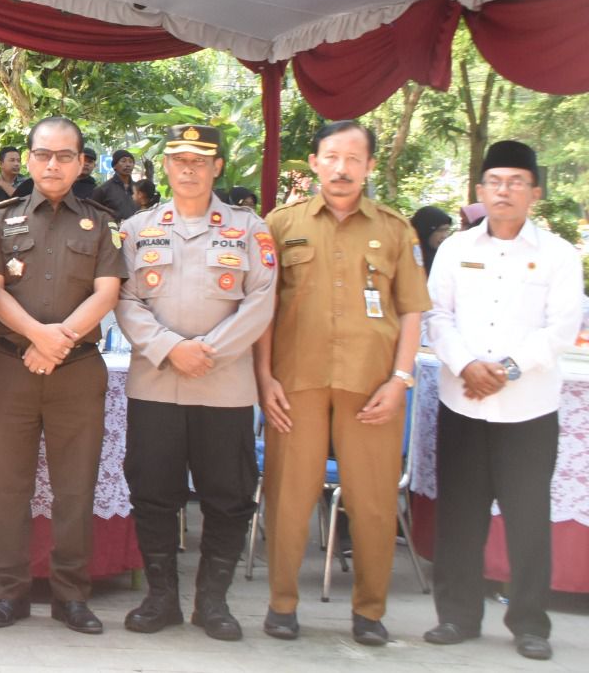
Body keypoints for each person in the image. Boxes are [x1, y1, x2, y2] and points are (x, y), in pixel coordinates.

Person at [255, 120, 429, 647]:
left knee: (373, 500)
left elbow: (414, 311)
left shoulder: (397, 230)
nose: (342, 168)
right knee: (288, 496)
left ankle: (369, 612)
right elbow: (263, 307)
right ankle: (282, 604)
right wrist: (264, 378)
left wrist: (401, 380)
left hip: (372, 385)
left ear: (370, 167)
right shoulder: (280, 224)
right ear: (313, 163)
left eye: (354, 159)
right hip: (296, 381)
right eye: (331, 157)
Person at [115, 124, 275, 642]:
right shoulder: (138, 228)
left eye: (200, 160)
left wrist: (208, 352)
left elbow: (261, 301)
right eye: (179, 159)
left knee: (228, 495)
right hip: (157, 384)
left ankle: (213, 603)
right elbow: (124, 300)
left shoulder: (250, 229)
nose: (189, 168)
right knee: (153, 491)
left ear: (217, 168)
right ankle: (161, 598)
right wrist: (170, 349)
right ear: (165, 165)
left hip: (223, 386)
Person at [422, 141, 581, 662]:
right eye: (496, 181)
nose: (505, 190)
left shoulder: (557, 254)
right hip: (462, 402)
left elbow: (560, 329)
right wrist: (467, 364)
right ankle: (457, 616)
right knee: (460, 514)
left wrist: (506, 370)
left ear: (535, 192)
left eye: (516, 182)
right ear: (480, 191)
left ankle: (530, 623)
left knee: (528, 517)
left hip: (527, 409)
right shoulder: (455, 249)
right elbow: (436, 316)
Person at [0, 117, 124, 634]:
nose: (53, 164)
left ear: (82, 162)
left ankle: (71, 597)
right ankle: (8, 594)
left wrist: (56, 344)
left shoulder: (102, 223)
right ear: (29, 159)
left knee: (76, 488)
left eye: (66, 155)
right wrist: (40, 338)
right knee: (8, 486)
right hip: (12, 368)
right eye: (43, 154)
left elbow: (108, 292)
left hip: (77, 371)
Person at [92, 149, 139, 220]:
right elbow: (94, 213)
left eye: (131, 162)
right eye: (123, 161)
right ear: (114, 166)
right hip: (112, 229)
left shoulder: (138, 188)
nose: (128, 165)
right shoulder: (103, 189)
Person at [410, 205, 454, 270]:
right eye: (440, 230)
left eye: (447, 230)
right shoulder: (408, 258)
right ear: (425, 231)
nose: (445, 236)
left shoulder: (448, 257)